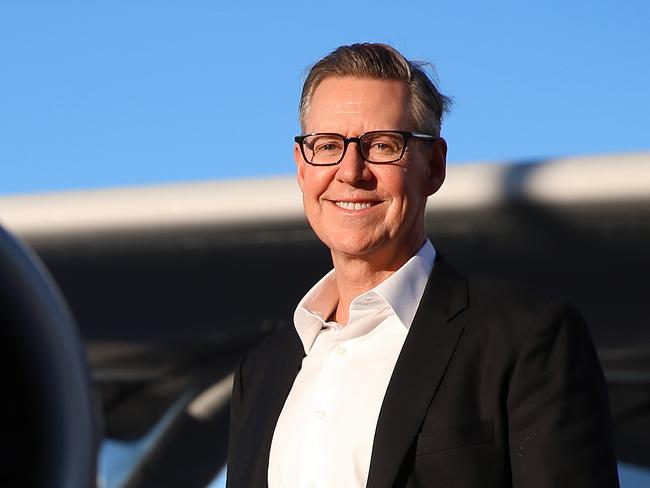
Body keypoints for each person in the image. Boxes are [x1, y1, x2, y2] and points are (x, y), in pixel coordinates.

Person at [226, 43, 619, 488]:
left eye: (381, 145)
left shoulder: (525, 337)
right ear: (302, 168)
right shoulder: (261, 371)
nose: (351, 171)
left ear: (433, 166)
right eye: (328, 145)